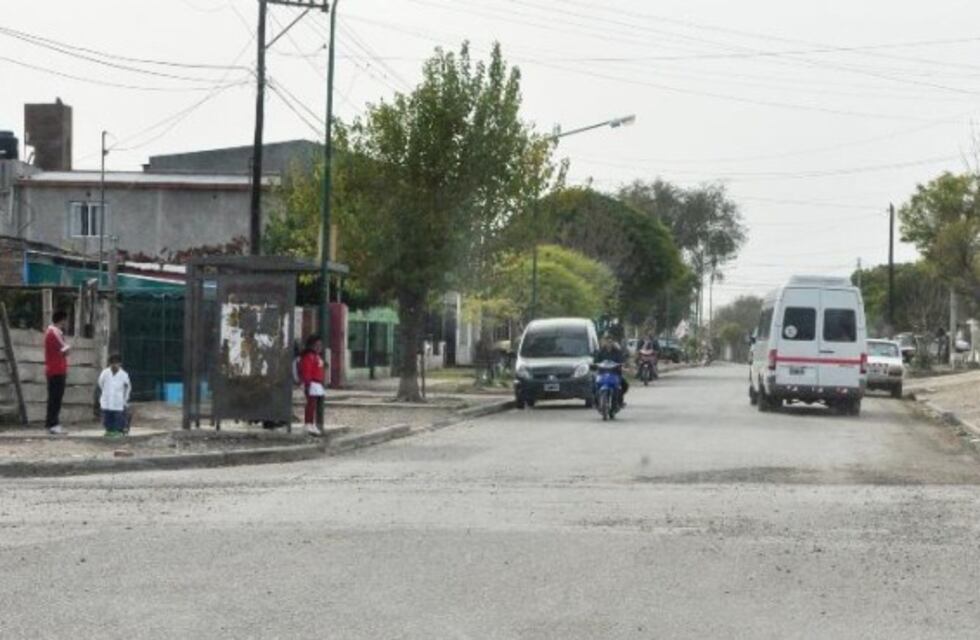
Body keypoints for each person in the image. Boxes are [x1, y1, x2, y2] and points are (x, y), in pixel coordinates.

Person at [44, 310, 71, 435]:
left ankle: (50, 423)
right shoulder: (54, 333)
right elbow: (65, 349)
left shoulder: (52, 332)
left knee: (54, 397)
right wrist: (68, 348)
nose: (66, 323)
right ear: (62, 320)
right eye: (65, 320)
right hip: (56, 369)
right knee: (56, 398)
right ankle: (53, 424)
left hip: (55, 369)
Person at [298, 334, 328, 436]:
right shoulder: (309, 356)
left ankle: (312, 423)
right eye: (317, 345)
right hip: (312, 383)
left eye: (320, 345)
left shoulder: (316, 356)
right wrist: (307, 384)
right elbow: (307, 370)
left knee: (314, 404)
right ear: (311, 345)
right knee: (311, 404)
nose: (319, 347)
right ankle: (308, 423)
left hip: (317, 382)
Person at [97, 354, 131, 437]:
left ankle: (119, 431)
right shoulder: (105, 373)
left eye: (116, 363)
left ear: (120, 364)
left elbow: (127, 387)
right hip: (107, 399)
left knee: (118, 416)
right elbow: (100, 383)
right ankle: (109, 430)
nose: (114, 365)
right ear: (109, 364)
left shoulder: (124, 375)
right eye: (112, 363)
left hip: (118, 400)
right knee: (107, 416)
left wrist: (125, 398)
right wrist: (106, 392)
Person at [594, 332, 629, 404]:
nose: (608, 343)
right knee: (593, 385)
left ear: (613, 342)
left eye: (610, 341)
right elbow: (596, 361)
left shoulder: (617, 351)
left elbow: (621, 360)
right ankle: (596, 401)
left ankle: (619, 401)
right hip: (602, 373)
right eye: (607, 341)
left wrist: (622, 366)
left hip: (615, 373)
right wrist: (594, 365)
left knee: (624, 384)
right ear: (604, 341)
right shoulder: (600, 351)